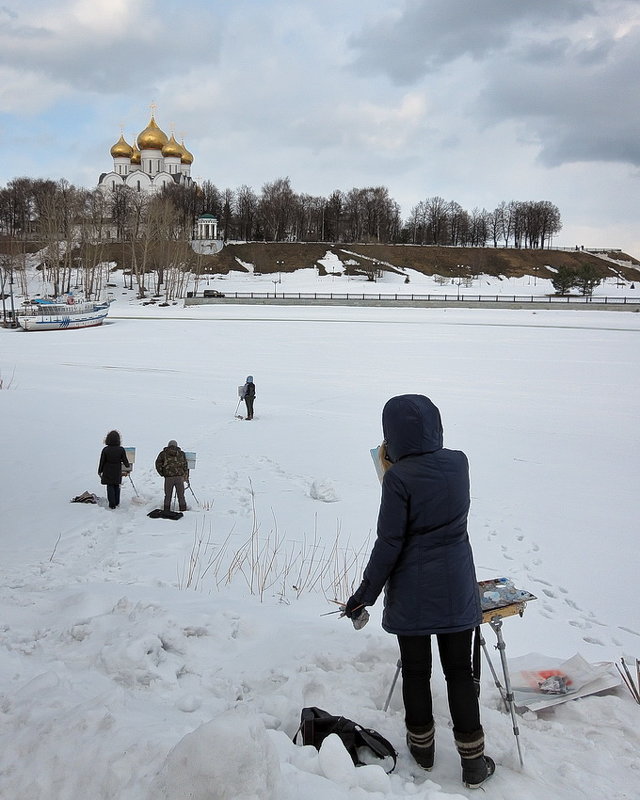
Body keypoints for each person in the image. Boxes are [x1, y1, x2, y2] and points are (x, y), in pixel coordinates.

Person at [344, 394, 494, 789]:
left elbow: (390, 543)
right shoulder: (458, 462)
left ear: (392, 434)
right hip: (456, 585)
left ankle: (423, 749)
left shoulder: (397, 478)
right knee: (460, 672)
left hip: (412, 591)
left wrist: (364, 594)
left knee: (416, 670)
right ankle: (473, 761)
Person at [98, 430, 130, 509]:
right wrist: (127, 466)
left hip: (107, 470)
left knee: (110, 486)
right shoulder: (121, 449)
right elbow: (125, 460)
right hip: (117, 470)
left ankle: (112, 504)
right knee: (116, 485)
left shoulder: (105, 449)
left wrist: (99, 471)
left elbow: (102, 461)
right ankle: (117, 502)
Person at [155, 439, 189, 512]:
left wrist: (162, 473)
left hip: (168, 478)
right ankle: (183, 509)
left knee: (168, 495)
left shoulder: (163, 454)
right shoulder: (181, 453)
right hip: (179, 477)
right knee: (181, 495)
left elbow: (158, 464)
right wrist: (184, 474)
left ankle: (166, 510)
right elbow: (185, 465)